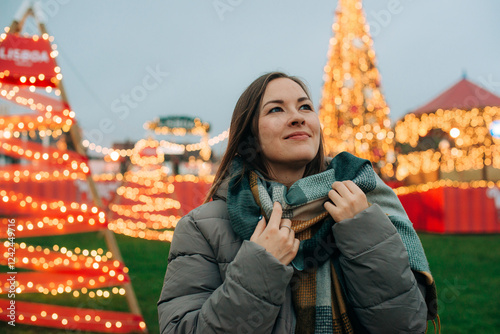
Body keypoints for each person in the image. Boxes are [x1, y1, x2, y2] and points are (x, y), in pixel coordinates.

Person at [158, 72, 438, 333]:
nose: (297, 118)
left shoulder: (366, 202)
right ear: (249, 135)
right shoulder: (200, 228)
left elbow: (406, 324)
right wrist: (260, 267)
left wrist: (363, 233)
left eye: (305, 107)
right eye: (276, 109)